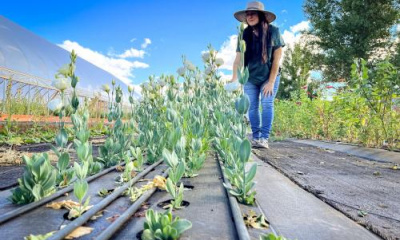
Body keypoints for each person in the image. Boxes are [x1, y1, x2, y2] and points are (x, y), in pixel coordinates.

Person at [231, 1, 285, 149]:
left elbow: (276, 59)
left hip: (269, 76)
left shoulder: (274, 31)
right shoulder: (244, 34)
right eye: (247, 14)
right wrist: (233, 80)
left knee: (267, 103)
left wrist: (271, 82)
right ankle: (256, 138)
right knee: (252, 107)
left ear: (261, 15)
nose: (250, 16)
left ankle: (264, 138)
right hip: (250, 77)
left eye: (253, 13)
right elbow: (238, 59)